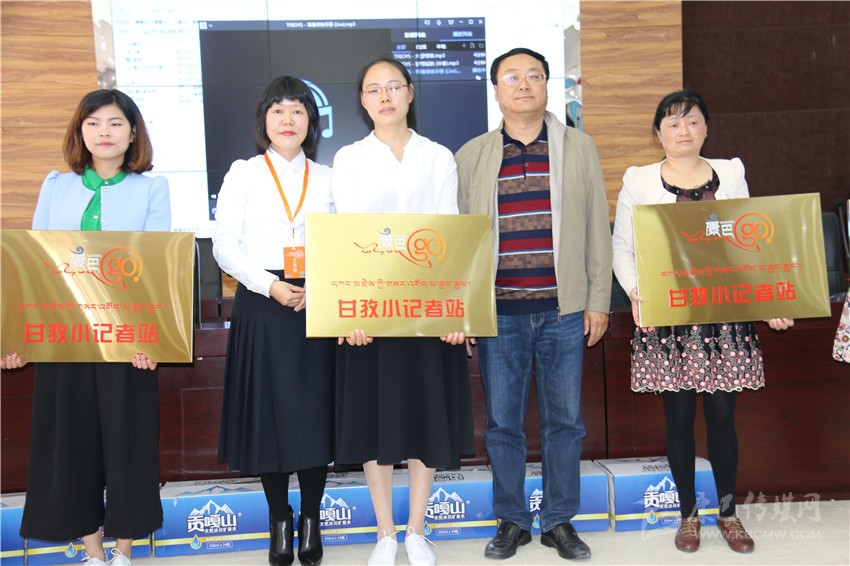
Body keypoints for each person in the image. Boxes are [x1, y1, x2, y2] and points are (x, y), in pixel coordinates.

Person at [611, 89, 794, 554]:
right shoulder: (638, 180)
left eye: (692, 121)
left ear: (706, 128)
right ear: (658, 134)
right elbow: (623, 247)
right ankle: (688, 515)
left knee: (722, 416)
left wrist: (769, 298)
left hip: (722, 312)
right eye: (672, 123)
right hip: (669, 314)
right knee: (678, 417)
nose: (683, 131)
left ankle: (728, 513)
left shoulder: (730, 171)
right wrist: (636, 291)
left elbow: (749, 241)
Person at [455, 47, 612, 562]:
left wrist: (598, 300)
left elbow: (596, 227)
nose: (524, 84)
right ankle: (512, 520)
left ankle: (559, 520)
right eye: (512, 77)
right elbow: (459, 239)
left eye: (534, 76)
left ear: (547, 85)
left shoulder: (578, 147)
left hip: (564, 311)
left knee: (564, 421)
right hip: (499, 312)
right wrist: (464, 309)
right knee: (503, 424)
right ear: (496, 90)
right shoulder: (472, 154)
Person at [9, 89, 171, 566]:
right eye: (94, 123)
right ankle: (93, 551)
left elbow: (156, 268)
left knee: (127, 444)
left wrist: (151, 339)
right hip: (65, 339)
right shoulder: (56, 186)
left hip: (126, 341)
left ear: (133, 133)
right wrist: (18, 338)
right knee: (71, 444)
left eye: (116, 123)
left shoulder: (151, 189)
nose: (105, 132)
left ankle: (124, 551)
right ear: (80, 131)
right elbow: (33, 266)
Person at [331, 57, 474, 566]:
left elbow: (451, 232)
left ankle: (416, 530)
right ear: (363, 101)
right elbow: (344, 233)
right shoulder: (349, 158)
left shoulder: (438, 156)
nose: (385, 96)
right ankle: (385, 532)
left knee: (423, 416)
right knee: (376, 420)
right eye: (374, 89)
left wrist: (455, 313)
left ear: (410, 93)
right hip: (369, 310)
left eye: (394, 86)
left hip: (426, 307)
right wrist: (348, 313)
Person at [213, 76, 335, 566]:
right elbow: (224, 246)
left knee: (314, 415)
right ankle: (279, 518)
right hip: (263, 302)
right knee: (270, 417)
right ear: (263, 120)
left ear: (312, 122)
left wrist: (320, 285)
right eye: (278, 110)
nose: (288, 120)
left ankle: (311, 517)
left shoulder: (328, 177)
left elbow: (348, 241)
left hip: (318, 300)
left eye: (298, 111)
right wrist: (270, 285)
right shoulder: (243, 173)